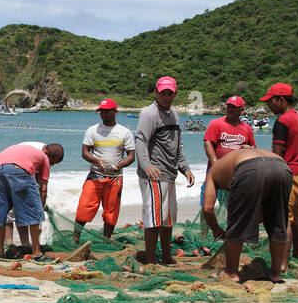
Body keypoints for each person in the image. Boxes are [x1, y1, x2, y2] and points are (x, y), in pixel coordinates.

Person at [199, 146, 292, 284]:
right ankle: (276, 273)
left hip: (250, 168)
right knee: (277, 222)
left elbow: (207, 208)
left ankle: (231, 272)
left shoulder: (213, 171)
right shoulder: (235, 158)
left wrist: (217, 230)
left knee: (236, 224)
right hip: (282, 168)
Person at [134, 76, 195, 265]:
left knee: (168, 219)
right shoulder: (149, 113)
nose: (167, 97)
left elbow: (177, 146)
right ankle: (152, 260)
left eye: (170, 93)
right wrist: (147, 165)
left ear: (175, 94)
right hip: (154, 175)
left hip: (170, 174)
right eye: (163, 93)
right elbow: (140, 139)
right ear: (156, 93)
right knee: (153, 219)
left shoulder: (175, 114)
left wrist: (185, 168)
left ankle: (167, 256)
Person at [262, 82, 298, 272]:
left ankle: (282, 263)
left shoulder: (282, 121)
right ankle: (296, 257)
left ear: (281, 100)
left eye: (271, 102)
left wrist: (272, 175)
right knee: (297, 217)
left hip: (288, 174)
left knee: (283, 218)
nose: (269, 106)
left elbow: (277, 152)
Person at [73, 100, 135, 244]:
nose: (104, 114)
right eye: (101, 111)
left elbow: (131, 156)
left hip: (115, 177)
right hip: (95, 175)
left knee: (111, 212)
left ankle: (106, 241)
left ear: (115, 112)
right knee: (84, 208)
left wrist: (119, 165)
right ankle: (75, 239)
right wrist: (96, 161)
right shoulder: (92, 130)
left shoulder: (125, 132)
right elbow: (85, 152)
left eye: (107, 111)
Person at [0, 141, 64, 259]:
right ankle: (36, 252)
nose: (51, 166)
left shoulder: (28, 147)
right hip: (19, 169)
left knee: (0, 211)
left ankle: (0, 252)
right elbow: (43, 188)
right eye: (52, 163)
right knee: (35, 212)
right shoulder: (44, 157)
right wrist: (41, 206)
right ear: (49, 154)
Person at [202, 96, 256, 203]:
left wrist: (249, 149)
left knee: (232, 203)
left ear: (242, 110)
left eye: (234, 107)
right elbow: (207, 143)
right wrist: (215, 163)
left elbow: (254, 148)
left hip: (237, 172)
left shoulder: (247, 128)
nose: (230, 110)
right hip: (216, 169)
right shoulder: (216, 123)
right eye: (228, 107)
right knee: (207, 203)